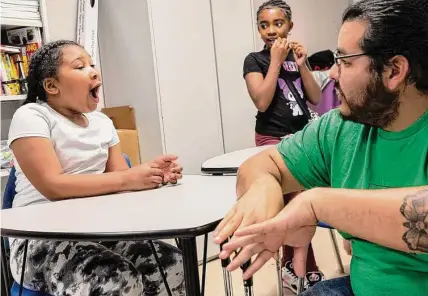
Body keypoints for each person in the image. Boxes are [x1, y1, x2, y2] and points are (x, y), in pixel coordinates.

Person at [214, 0, 428, 295]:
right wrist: (265, 188)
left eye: (345, 61)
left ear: (394, 71)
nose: (333, 74)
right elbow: (262, 165)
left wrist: (316, 205)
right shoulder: (342, 127)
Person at [8, 40, 185, 296]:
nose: (93, 71)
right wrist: (129, 178)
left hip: (97, 230)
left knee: (173, 264)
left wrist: (152, 174)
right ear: (51, 85)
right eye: (80, 67)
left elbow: (119, 183)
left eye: (92, 64)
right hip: (39, 239)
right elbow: (53, 186)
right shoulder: (33, 116)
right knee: (116, 279)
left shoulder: (102, 122)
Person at [242, 0, 323, 292]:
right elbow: (261, 101)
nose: (271, 31)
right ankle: (301, 269)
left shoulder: (299, 57)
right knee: (293, 202)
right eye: (264, 25)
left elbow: (314, 97)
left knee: (302, 203)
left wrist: (302, 66)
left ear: (290, 25)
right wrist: (275, 61)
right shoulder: (255, 60)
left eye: (278, 23)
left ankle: (294, 267)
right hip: (272, 138)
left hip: (302, 138)